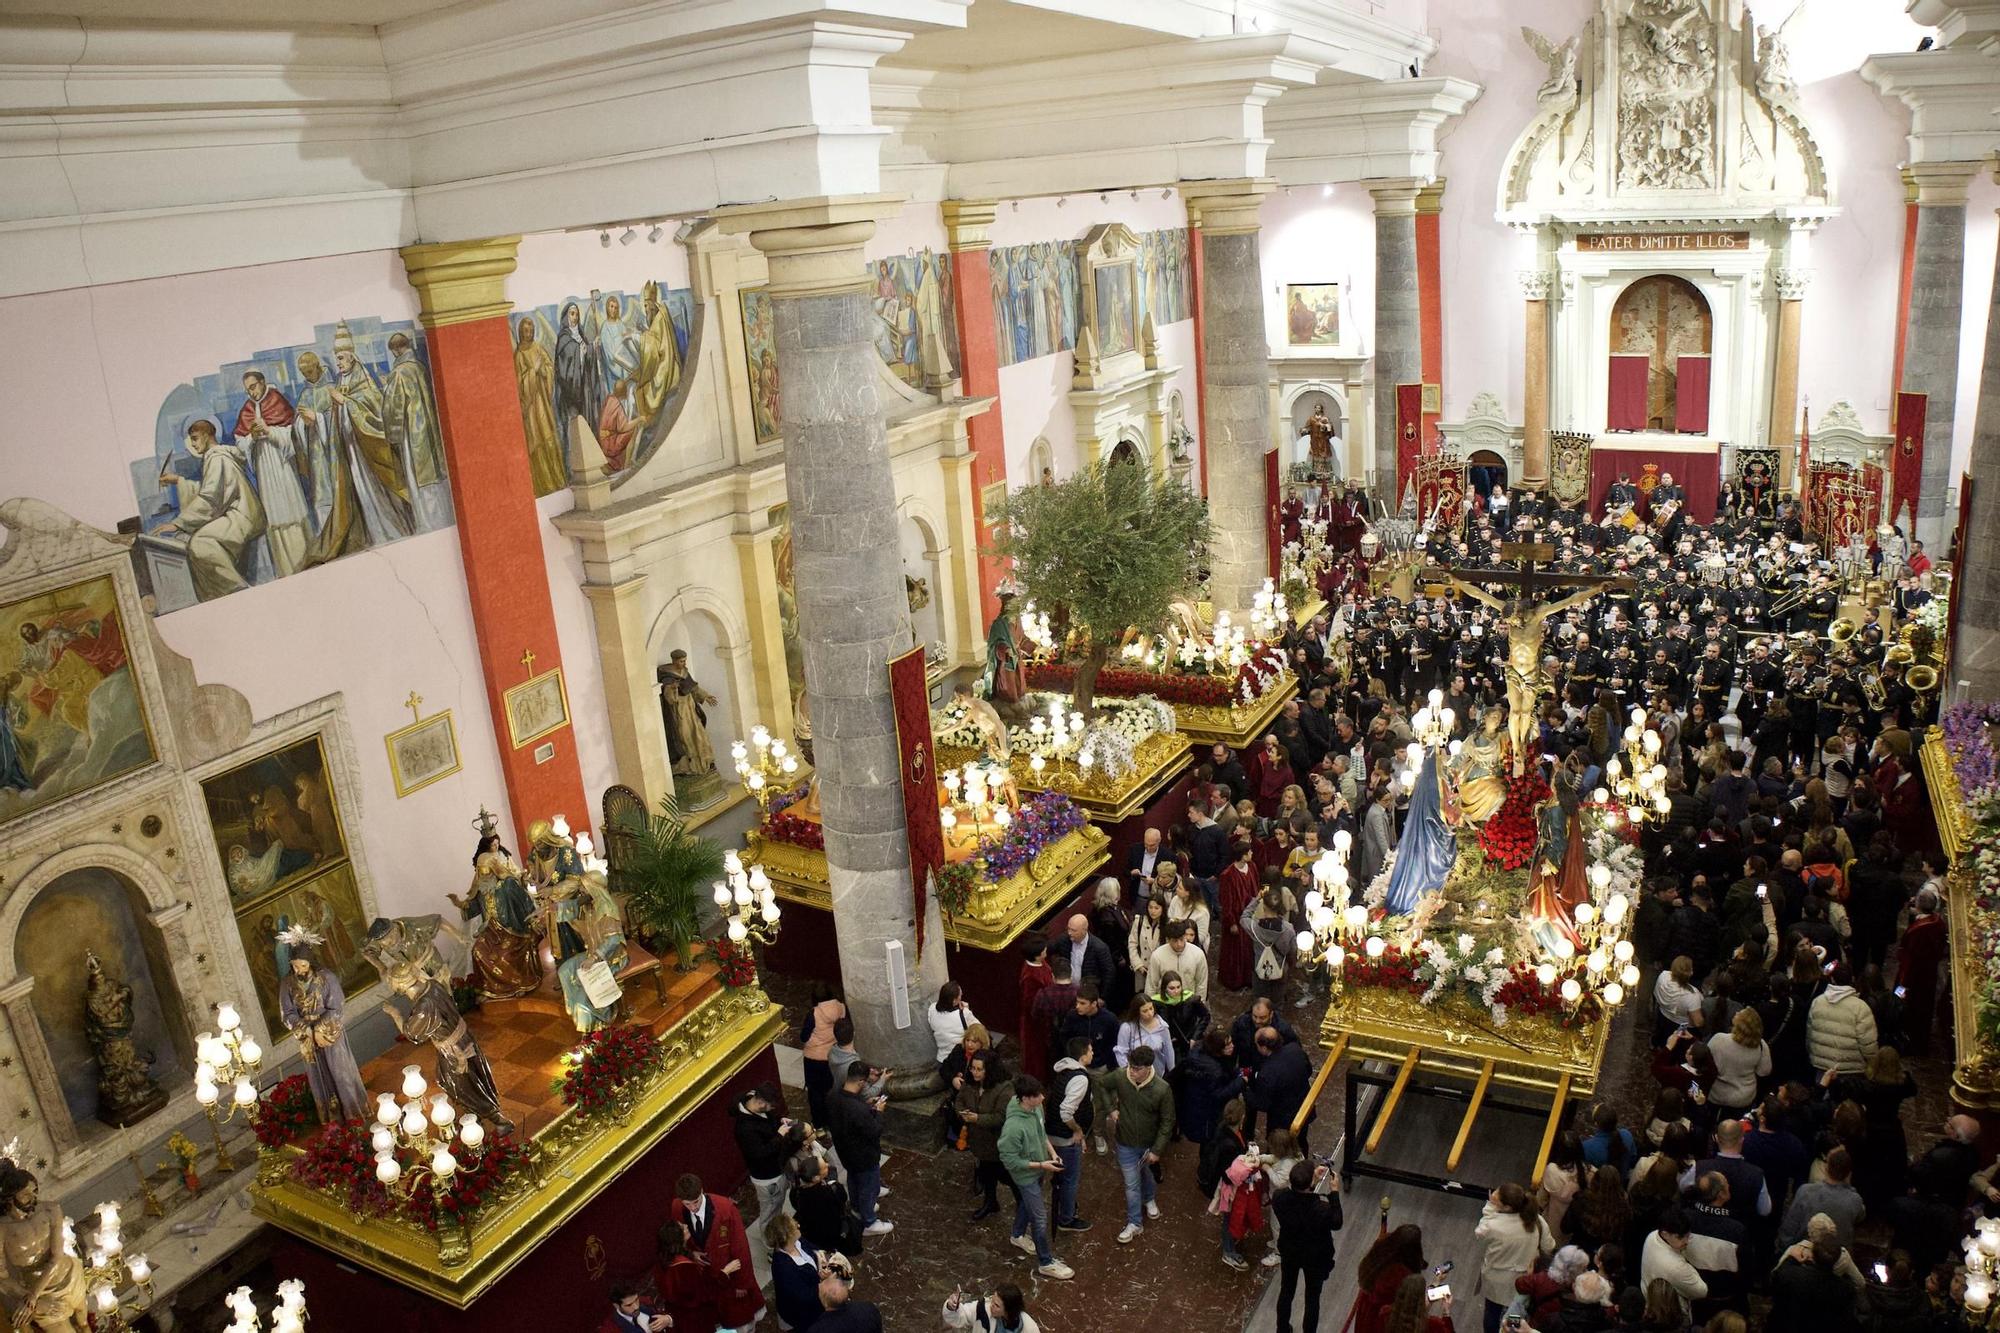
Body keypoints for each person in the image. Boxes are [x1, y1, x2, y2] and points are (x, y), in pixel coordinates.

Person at [1093, 1044, 1175, 1244]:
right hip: (1125, 1142)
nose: (1132, 1071)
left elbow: (1168, 1121)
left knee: (1145, 1172)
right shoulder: (1121, 1076)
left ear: (1148, 1067)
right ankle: (1135, 1223)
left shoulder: (1162, 1089)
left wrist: (1157, 1149)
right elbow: (1101, 1084)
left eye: (1137, 1068)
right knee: (1131, 1184)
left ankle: (1149, 1198)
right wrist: (1111, 1108)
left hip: (1148, 1144)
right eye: (1130, 1066)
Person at [996, 1075, 1073, 1280]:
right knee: (1039, 1218)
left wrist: (1052, 1153)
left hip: (1039, 1166)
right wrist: (1041, 1164)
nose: (1042, 1098)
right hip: (1026, 1175)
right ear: (1025, 1099)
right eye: (1037, 1096)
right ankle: (1046, 1262)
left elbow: (1041, 1133)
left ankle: (1018, 1235)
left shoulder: (1036, 1108)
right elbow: (1009, 1160)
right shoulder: (1013, 1128)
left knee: (1027, 1203)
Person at [670, 1172, 764, 1333]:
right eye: (688, 1204)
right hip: (708, 1280)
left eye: (696, 1202)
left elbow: (741, 1249)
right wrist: (691, 1253)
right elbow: (678, 1238)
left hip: (732, 1279)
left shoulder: (725, 1209)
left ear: (702, 1191)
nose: (693, 1208)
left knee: (741, 1318)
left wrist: (742, 1284)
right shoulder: (677, 1208)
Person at [731, 1082, 807, 1267]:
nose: (772, 1109)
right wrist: (779, 1136)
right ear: (760, 1102)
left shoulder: (755, 1103)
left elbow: (769, 1119)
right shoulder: (744, 1128)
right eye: (770, 1106)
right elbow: (759, 1153)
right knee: (769, 1211)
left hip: (776, 1167)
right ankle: (771, 1247)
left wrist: (780, 1122)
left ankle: (776, 1235)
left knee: (776, 1207)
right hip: (767, 1177)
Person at [1271, 1159, 1345, 1332]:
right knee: (1312, 1299)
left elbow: (1296, 1199)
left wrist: (1312, 1181)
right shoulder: (1321, 1209)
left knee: (1286, 1290)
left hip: (1290, 1250)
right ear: (1310, 1184)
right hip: (1315, 1256)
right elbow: (1337, 1222)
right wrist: (1334, 1193)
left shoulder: (1279, 1197)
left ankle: (1282, 1328)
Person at [1476, 1182, 1554, 1333]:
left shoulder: (1493, 1225)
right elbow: (1548, 1247)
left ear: (1507, 1207)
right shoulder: (1537, 1220)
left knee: (1492, 1312)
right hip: (1525, 1279)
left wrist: (1489, 1208)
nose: (1493, 1197)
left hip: (1497, 1280)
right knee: (1516, 1313)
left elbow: (1480, 1233)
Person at [826, 1066, 892, 1236]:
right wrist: (878, 1112)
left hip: (845, 1151)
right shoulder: (857, 1109)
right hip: (864, 1155)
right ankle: (869, 1221)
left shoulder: (833, 1095)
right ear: (861, 1082)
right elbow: (874, 1131)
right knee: (868, 1187)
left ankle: (856, 1208)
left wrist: (866, 1105)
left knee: (854, 1180)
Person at [1044, 1036, 1092, 1233]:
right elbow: (1066, 1111)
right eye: (1090, 1050)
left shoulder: (1064, 1071)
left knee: (1063, 1177)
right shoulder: (1080, 1078)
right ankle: (1066, 1218)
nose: (1092, 1053)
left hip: (1053, 1132)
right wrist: (1078, 1130)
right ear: (1082, 1056)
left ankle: (1067, 1205)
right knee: (1070, 1178)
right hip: (1066, 1137)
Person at [1767, 1237, 1856, 1333]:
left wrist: (1791, 1259)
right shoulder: (1846, 1289)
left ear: (1812, 1255)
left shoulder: (1791, 1275)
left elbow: (1775, 1283)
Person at [1248, 1025, 1315, 1153]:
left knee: (1278, 1150)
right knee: (1301, 1142)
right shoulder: (1295, 1049)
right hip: (1303, 1109)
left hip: (1281, 1120)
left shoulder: (1267, 1073)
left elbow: (1263, 1104)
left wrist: (1246, 1091)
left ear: (1263, 1047)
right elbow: (1309, 1071)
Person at [1353, 1225, 1430, 1333]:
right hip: (1384, 1318)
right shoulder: (1401, 1276)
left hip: (1367, 1307)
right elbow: (1407, 1306)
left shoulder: (1381, 1246)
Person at [766, 1214, 823, 1333]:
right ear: (788, 1237)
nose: (798, 1225)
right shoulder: (783, 1268)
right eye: (794, 1227)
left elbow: (810, 1247)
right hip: (803, 1313)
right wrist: (824, 1283)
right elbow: (804, 1297)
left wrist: (820, 1254)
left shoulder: (797, 1242)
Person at [800, 983, 845, 1127]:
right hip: (833, 1055)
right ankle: (833, 1121)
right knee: (831, 1090)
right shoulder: (841, 1007)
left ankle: (819, 1125)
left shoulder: (814, 1014)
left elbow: (804, 1036)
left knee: (816, 1094)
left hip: (814, 1059)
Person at [943, 1282, 1039, 1333]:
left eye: (997, 1305)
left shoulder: (1029, 1327)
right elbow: (961, 1316)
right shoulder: (982, 1309)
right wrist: (951, 1307)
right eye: (992, 1299)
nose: (991, 1305)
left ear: (1008, 1310)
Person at [929, 981, 980, 1070]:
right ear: (954, 1000)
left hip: (942, 1060)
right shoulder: (963, 1014)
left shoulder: (932, 1009)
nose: (962, 995)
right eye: (960, 995)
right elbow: (979, 1029)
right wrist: (967, 1009)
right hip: (960, 1060)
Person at [603, 1280, 668, 1333]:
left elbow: (662, 1315)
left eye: (636, 1299)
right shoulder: (611, 1328)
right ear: (616, 1306)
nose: (636, 1307)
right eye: (629, 1305)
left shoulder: (645, 1301)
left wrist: (668, 1319)